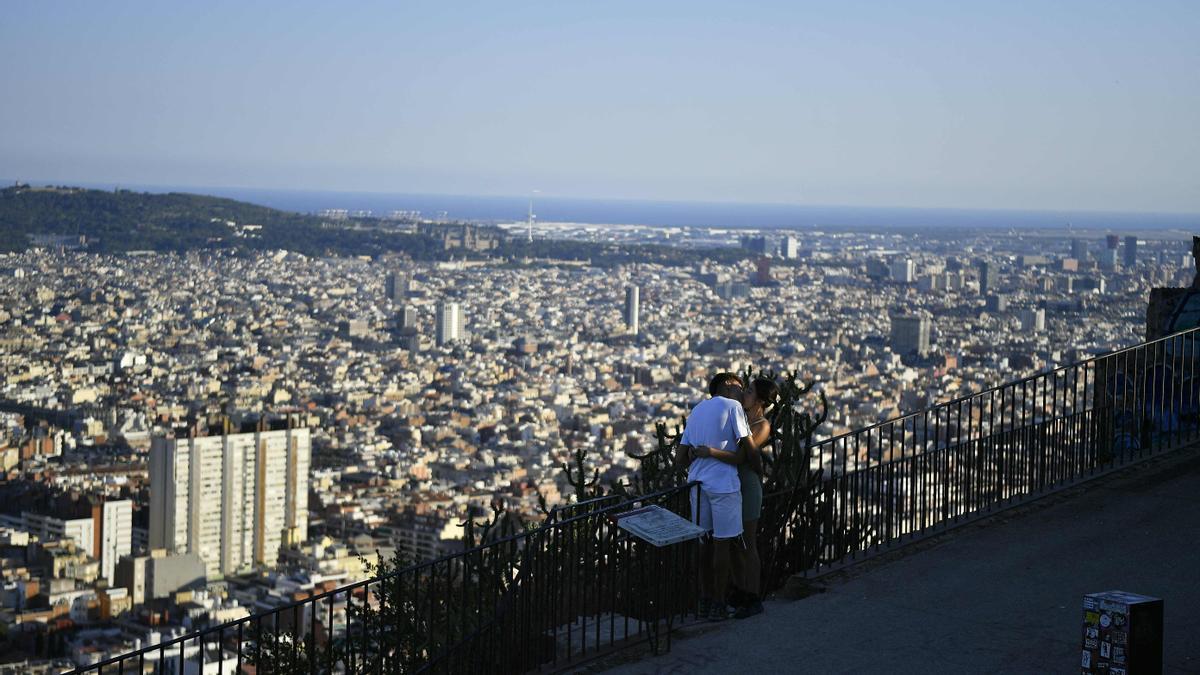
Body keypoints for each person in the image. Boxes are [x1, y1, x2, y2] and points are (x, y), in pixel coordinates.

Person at [689, 377, 779, 618]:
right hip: (729, 485)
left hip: (746, 486)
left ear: (759, 400)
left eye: (749, 391)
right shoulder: (736, 414)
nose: (744, 394)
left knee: (747, 544)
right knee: (734, 545)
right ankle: (741, 593)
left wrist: (710, 452)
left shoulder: (761, 425)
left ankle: (753, 597)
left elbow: (742, 457)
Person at [675, 372, 756, 621]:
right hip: (723, 485)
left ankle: (704, 599)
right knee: (723, 544)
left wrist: (694, 457)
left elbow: (680, 459)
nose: (743, 394)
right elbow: (748, 446)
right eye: (740, 388)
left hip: (697, 485)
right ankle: (720, 603)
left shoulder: (697, 411)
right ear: (728, 385)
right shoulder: (733, 407)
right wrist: (757, 466)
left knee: (703, 546)